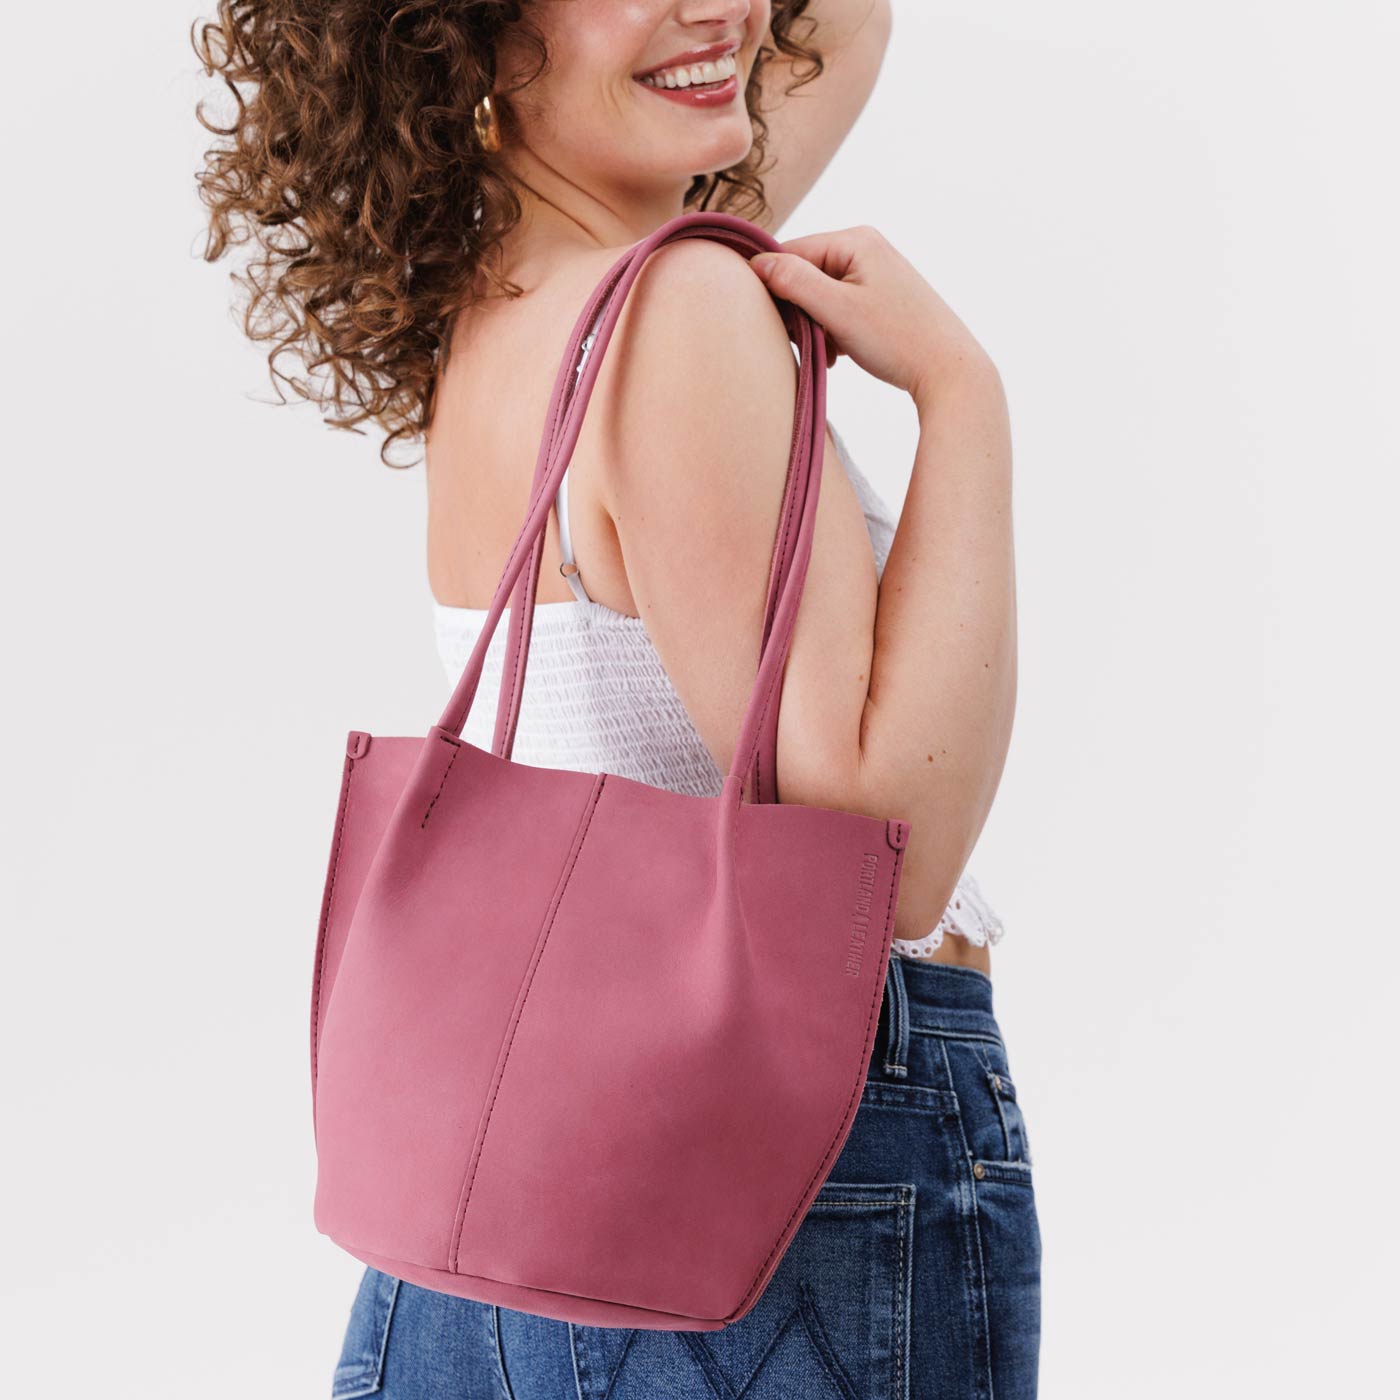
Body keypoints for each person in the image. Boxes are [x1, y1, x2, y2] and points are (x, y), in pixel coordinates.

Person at [195, 2, 1039, 1394]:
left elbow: (844, 28)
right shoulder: (678, 313)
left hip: (484, 1232)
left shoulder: (518, 291)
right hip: (789, 1191)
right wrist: (963, 395)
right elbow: (885, 858)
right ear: (460, 31)